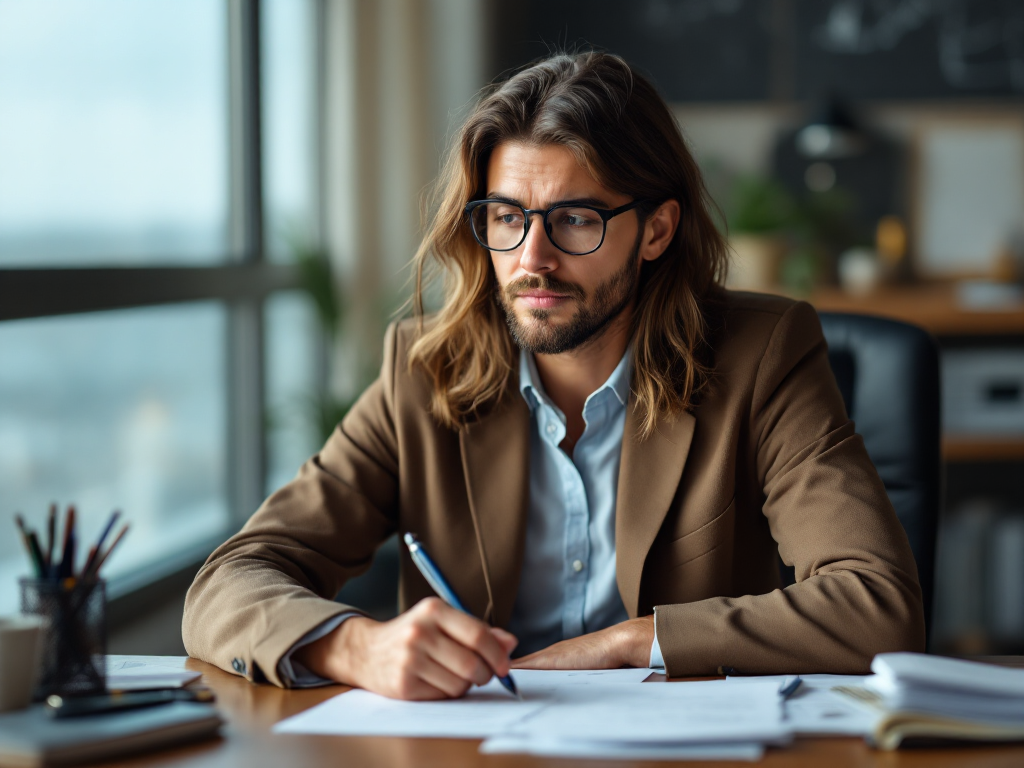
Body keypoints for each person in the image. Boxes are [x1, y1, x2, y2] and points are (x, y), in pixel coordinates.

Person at [183, 51, 925, 700]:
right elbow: (230, 583)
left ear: (656, 230)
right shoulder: (423, 372)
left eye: (574, 220)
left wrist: (632, 642)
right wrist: (356, 646)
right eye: (507, 218)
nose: (532, 259)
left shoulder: (762, 356)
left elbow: (878, 605)